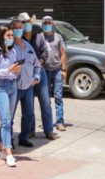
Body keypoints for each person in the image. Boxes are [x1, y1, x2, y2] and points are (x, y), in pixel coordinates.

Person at [0, 24, 22, 167]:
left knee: (8, 120)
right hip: (1, 87)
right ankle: (9, 154)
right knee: (6, 120)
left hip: (13, 85)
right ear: (1, 37)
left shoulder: (12, 51)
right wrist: (8, 70)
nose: (11, 38)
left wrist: (16, 70)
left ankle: (0, 148)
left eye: (12, 35)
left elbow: (13, 70)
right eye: (8, 35)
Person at [22, 13, 57, 141]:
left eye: (28, 22)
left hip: (40, 72)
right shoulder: (19, 40)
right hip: (26, 74)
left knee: (45, 102)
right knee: (28, 104)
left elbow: (45, 51)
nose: (26, 24)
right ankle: (30, 130)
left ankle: (49, 130)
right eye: (24, 23)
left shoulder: (38, 37)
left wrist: (39, 62)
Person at [10, 18, 41, 148]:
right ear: (11, 30)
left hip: (28, 86)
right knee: (9, 115)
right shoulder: (9, 47)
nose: (18, 30)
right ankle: (8, 140)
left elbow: (37, 64)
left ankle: (23, 137)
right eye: (15, 28)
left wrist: (36, 77)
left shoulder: (28, 46)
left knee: (28, 114)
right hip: (13, 87)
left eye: (20, 28)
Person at [41, 15, 67, 132]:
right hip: (44, 71)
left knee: (58, 97)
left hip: (57, 70)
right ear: (42, 25)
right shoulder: (40, 37)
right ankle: (47, 122)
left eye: (49, 23)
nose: (47, 25)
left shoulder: (58, 37)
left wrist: (64, 70)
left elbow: (63, 54)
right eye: (45, 23)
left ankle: (60, 122)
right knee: (45, 99)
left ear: (52, 24)